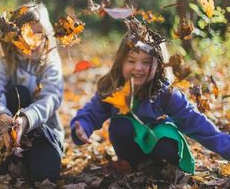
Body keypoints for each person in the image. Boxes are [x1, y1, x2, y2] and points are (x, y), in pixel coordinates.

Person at [70, 18, 230, 174]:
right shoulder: (113, 88)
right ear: (121, 62)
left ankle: (160, 167)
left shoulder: (166, 93)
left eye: (146, 62)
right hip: (130, 149)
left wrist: (227, 148)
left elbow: (196, 123)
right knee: (121, 125)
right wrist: (83, 126)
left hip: (160, 147)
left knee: (167, 140)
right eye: (131, 61)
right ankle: (132, 164)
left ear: (159, 66)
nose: (138, 67)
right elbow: (92, 112)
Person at [0, 3, 64, 182]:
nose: (32, 40)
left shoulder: (50, 64)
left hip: (45, 135)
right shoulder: (6, 63)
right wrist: (1, 115)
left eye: (38, 33)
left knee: (45, 175)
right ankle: (13, 158)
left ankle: (37, 161)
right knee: (17, 92)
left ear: (47, 35)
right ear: (13, 36)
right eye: (25, 33)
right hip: (10, 136)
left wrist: (25, 120)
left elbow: (51, 98)